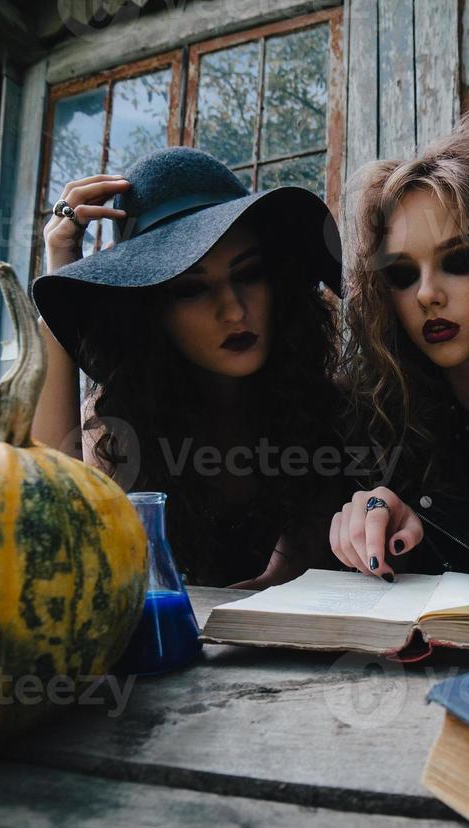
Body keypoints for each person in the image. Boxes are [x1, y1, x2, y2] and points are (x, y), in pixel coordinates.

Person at [31, 146, 349, 588]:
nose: (234, 311)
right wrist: (62, 284)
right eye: (190, 290)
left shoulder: (322, 407)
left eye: (249, 274)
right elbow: (54, 526)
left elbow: (294, 572)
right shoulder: (118, 425)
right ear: (150, 310)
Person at [327, 118, 469, 583]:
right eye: (402, 274)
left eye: (459, 261)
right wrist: (377, 522)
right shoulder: (378, 418)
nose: (427, 294)